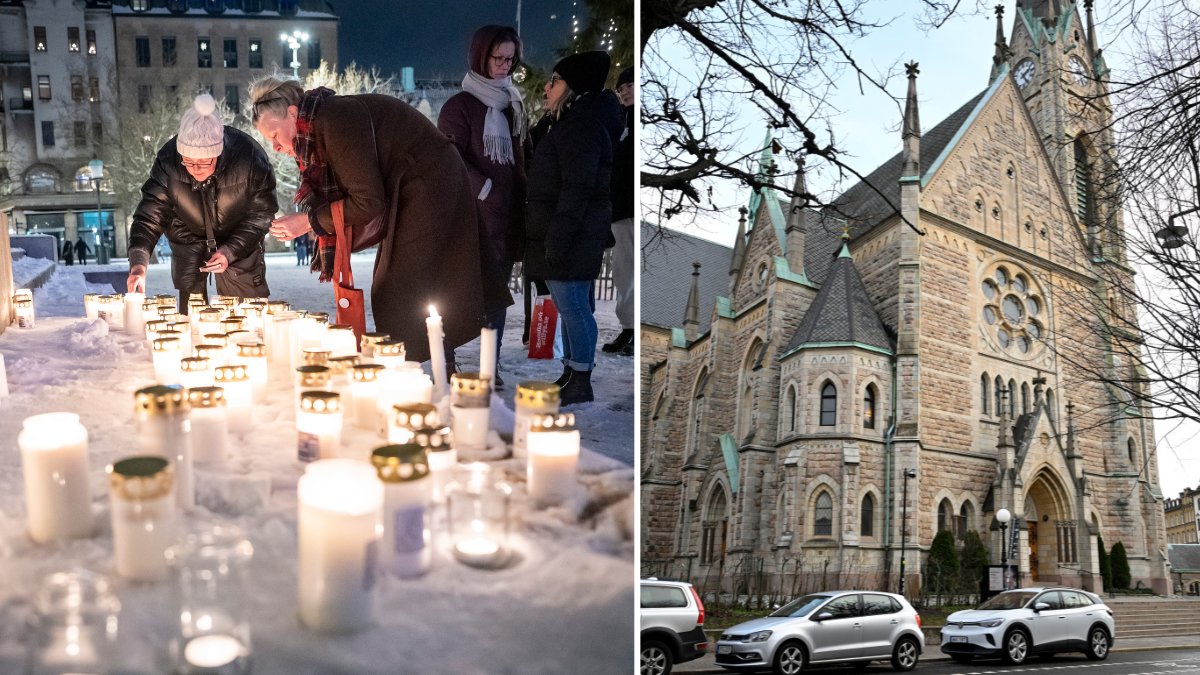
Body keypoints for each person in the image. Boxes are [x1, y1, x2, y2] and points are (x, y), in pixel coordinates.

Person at [249, 76, 485, 364]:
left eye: (274, 135)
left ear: (293, 113)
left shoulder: (334, 120)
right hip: (415, 185)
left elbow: (367, 201)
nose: (274, 146)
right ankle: (427, 364)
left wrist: (309, 221)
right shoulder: (322, 122)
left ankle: (414, 368)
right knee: (404, 288)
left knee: (399, 289)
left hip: (428, 183)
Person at [523, 51, 622, 405]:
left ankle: (581, 379)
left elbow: (577, 187)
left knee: (575, 306)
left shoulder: (581, 126)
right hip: (569, 230)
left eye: (554, 81)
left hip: (572, 232)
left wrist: (559, 236)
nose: (547, 88)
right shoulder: (572, 121)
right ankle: (571, 371)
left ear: (572, 87)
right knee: (571, 307)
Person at [438, 25, 528, 388]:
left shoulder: (513, 105)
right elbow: (447, 156)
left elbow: (521, 156)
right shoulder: (460, 106)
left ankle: (491, 364)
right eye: (498, 58)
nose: (505, 66)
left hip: (505, 219)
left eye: (510, 59)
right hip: (470, 220)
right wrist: (485, 188)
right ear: (480, 56)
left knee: (497, 295)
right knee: (456, 295)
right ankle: (446, 360)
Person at [126, 93, 276, 310]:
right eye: (188, 161)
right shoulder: (169, 162)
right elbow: (149, 216)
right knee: (193, 314)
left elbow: (261, 215)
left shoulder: (249, 158)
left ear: (218, 154)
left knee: (246, 311)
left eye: (204, 162)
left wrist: (230, 250)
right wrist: (138, 263)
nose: (195, 169)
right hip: (187, 237)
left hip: (239, 241)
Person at [602, 66, 635, 357]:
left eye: (629, 85)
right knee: (623, 272)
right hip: (619, 209)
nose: (624, 90)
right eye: (621, 87)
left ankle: (633, 330)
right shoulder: (621, 122)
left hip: (632, 208)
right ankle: (629, 328)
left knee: (633, 270)